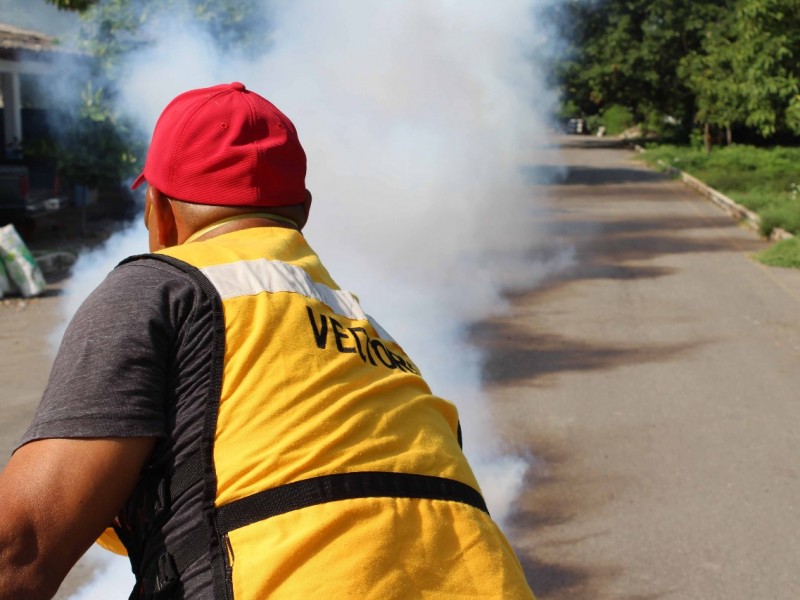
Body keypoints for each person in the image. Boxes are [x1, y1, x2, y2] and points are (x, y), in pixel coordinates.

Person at [0, 82, 535, 599]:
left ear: (158, 211)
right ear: (301, 213)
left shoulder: (158, 288)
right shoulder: (375, 337)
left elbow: (20, 547)